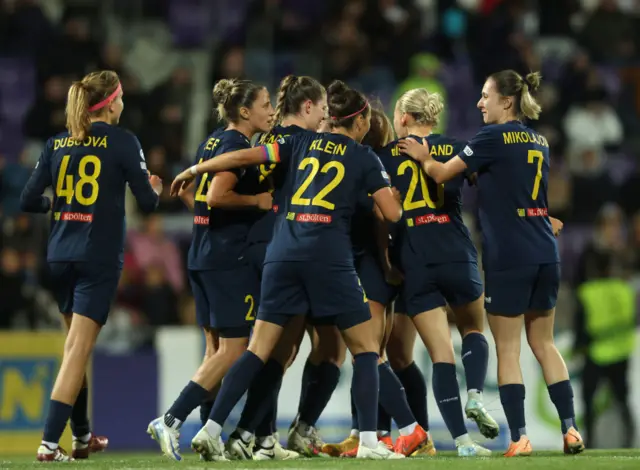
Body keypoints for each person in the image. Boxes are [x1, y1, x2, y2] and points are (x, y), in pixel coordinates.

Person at [170, 80, 404, 460]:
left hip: (281, 255)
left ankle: (215, 429)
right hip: (328, 258)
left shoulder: (296, 143)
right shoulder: (363, 157)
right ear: (359, 121)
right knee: (363, 350)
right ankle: (369, 443)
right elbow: (391, 215)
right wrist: (394, 200)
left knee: (260, 349)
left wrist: (198, 167)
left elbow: (242, 158)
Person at [399, 70, 585, 456]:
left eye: (486, 96)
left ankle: (519, 437)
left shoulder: (491, 137)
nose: (480, 103)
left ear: (507, 101)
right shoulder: (540, 140)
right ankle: (570, 429)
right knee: (545, 344)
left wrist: (423, 156)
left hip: (509, 255)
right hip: (545, 253)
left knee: (509, 350)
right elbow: (522, 192)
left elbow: (441, 173)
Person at [20, 70, 162, 462]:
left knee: (73, 347)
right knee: (79, 349)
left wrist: (56, 207)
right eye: (120, 96)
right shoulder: (123, 141)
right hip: (96, 256)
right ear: (112, 103)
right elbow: (148, 204)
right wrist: (157, 188)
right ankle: (50, 444)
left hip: (59, 255)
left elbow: (28, 200)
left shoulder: (57, 143)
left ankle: (82, 436)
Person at [147, 78, 274, 462]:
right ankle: (171, 419)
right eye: (265, 104)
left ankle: (209, 441)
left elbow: (199, 199)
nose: (271, 110)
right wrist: (258, 200)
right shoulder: (235, 146)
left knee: (215, 351)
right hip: (226, 259)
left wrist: (197, 202)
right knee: (235, 350)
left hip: (201, 253)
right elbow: (218, 196)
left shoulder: (211, 142)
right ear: (245, 111)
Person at [373, 88, 494, 457]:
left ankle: (461, 442)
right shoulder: (457, 148)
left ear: (405, 118)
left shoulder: (383, 157)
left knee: (440, 354)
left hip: (415, 258)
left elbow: (378, 211)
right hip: (456, 252)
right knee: (473, 329)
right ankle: (474, 394)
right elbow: (481, 179)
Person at [225, 75, 327, 461]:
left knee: (269, 350)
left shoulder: (263, 140)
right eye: (321, 110)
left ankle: (259, 436)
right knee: (277, 351)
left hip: (255, 244)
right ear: (306, 107)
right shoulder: (295, 143)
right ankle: (244, 432)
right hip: (282, 244)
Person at [326, 106, 428, 459]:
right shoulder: (358, 161)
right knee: (372, 354)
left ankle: (407, 431)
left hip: (371, 267)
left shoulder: (368, 162)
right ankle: (369, 432)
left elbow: (385, 218)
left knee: (372, 353)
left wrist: (386, 263)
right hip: (364, 265)